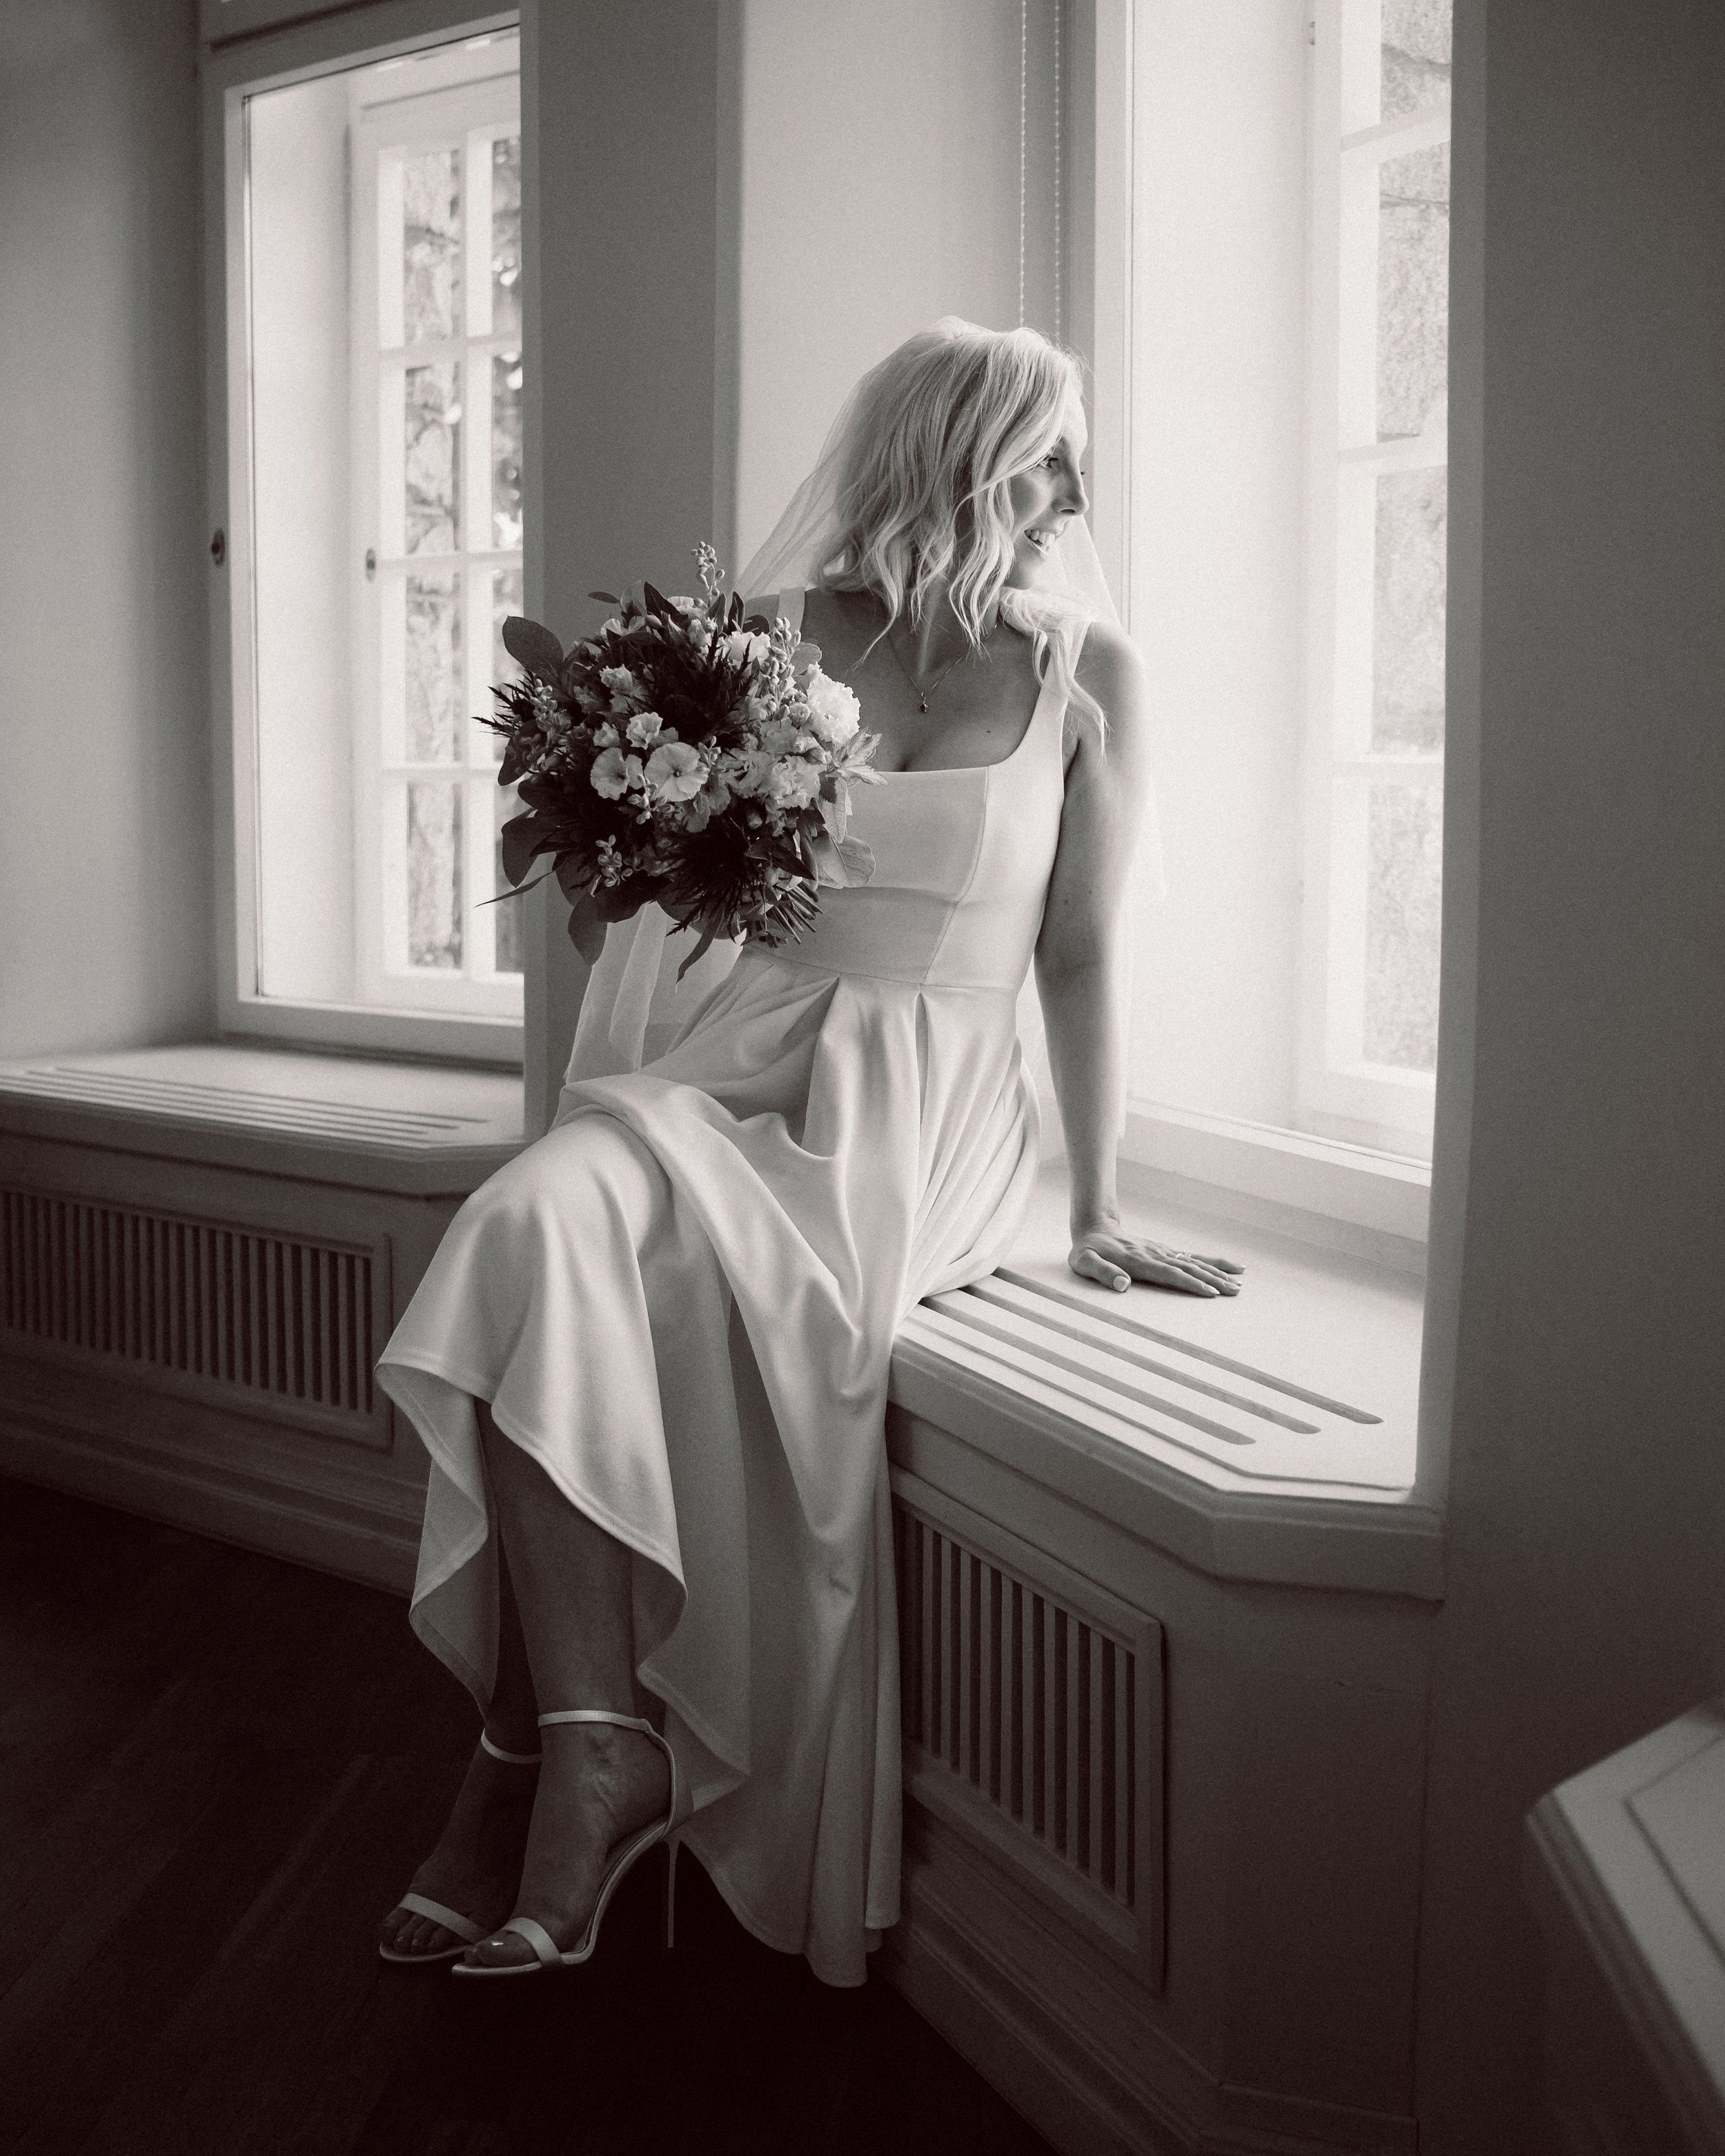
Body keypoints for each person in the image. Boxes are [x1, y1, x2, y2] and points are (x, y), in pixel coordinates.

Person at [373, 319, 1243, 1986]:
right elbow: (691, 920)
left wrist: (1103, 1198)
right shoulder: (773, 639)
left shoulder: (1083, 674)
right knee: (524, 1228)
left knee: (619, 1303)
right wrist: (633, 854)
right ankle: (592, 1736)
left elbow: (1074, 955)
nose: (1078, 485)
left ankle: (521, 1765)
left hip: (928, 1103)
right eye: (1055, 449)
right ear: (972, 453)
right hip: (741, 1059)